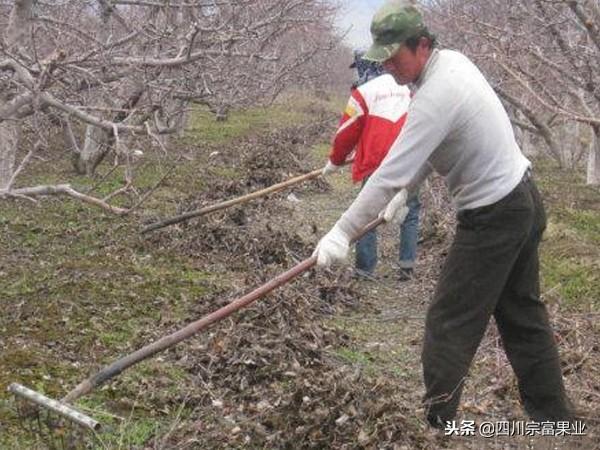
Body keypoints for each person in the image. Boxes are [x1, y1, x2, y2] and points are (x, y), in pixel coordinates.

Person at [314, 0, 573, 429]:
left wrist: (341, 232)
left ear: (421, 46)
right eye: (383, 61)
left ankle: (438, 423)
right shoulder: (450, 64)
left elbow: (386, 175)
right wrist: (407, 192)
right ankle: (552, 416)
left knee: (449, 320)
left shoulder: (439, 93)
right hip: (523, 201)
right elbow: (436, 149)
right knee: (521, 313)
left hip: (494, 215)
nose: (390, 69)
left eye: (395, 59)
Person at [322, 52, 421, 280]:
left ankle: (365, 269)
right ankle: (407, 265)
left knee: (368, 211)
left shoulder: (363, 93)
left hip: (377, 162)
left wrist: (335, 161)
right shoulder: (414, 88)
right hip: (410, 160)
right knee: (411, 211)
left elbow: (346, 132)